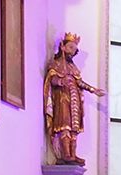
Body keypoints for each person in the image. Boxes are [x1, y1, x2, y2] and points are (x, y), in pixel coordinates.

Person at [43, 32, 104, 166]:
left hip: (74, 99)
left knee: (74, 127)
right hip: (62, 99)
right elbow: (51, 79)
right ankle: (66, 154)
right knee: (64, 125)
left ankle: (73, 154)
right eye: (70, 47)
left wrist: (93, 90)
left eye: (74, 49)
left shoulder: (73, 67)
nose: (72, 51)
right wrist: (60, 81)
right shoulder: (56, 64)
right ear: (62, 47)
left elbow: (79, 83)